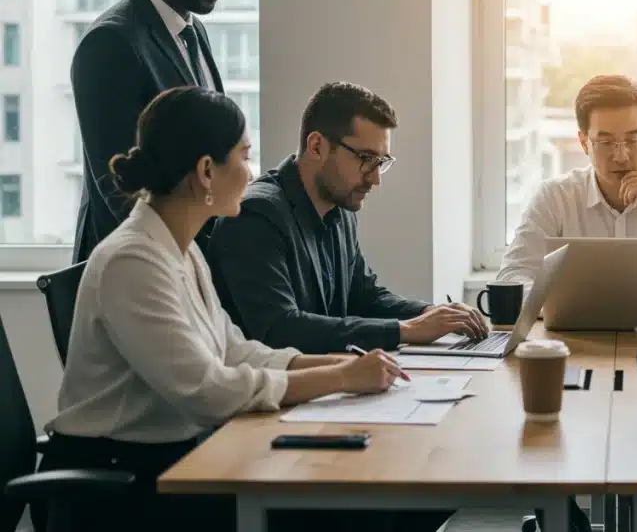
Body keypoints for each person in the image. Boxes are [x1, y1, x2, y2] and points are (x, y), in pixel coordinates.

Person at [38, 87, 453, 532]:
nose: (251, 171)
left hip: (179, 457)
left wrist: (338, 363)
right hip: (123, 484)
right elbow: (209, 391)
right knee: (363, 510)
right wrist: (337, 378)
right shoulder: (133, 260)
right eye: (243, 155)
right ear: (206, 171)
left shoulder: (180, 249)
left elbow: (236, 350)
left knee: (392, 500)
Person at [207, 82, 489, 355]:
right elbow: (280, 329)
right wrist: (405, 330)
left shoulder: (339, 208)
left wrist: (432, 313)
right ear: (316, 146)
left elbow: (365, 297)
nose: (375, 178)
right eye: (365, 158)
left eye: (381, 162)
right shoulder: (254, 215)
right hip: (268, 397)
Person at [71, 0, 234, 263]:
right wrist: (190, 261)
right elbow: (118, 186)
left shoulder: (195, 33)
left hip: (190, 262)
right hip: (134, 267)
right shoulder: (111, 42)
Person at [497, 74, 637, 314]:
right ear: (584, 142)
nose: (621, 155)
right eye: (606, 143)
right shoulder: (555, 197)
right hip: (572, 343)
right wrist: (560, 308)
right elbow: (511, 279)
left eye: (633, 139)